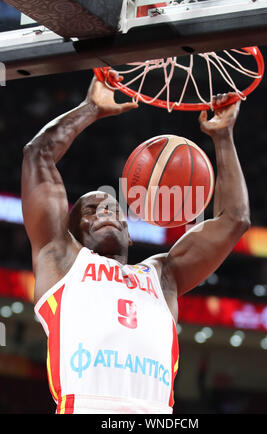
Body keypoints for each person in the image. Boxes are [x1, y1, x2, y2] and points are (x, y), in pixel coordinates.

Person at [21, 72, 250, 414]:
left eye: (113, 207)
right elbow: (37, 155)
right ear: (70, 230)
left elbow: (235, 220)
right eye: (91, 210)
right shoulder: (62, 261)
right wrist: (89, 109)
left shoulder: (161, 275)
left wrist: (223, 138)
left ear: (129, 233)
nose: (106, 212)